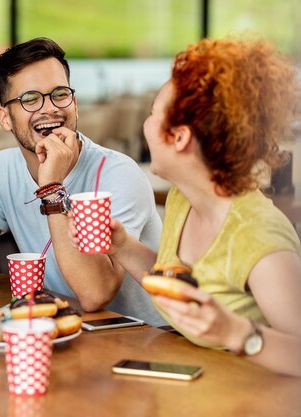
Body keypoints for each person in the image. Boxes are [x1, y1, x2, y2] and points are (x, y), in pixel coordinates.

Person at [0, 37, 165, 325]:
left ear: (75, 103)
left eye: (60, 94)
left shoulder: (118, 173)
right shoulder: (1, 170)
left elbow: (96, 294)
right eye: (30, 99)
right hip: (66, 329)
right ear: (5, 118)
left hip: (144, 337)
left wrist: (51, 189)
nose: (49, 109)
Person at [92, 38, 301, 376]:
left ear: (178, 137)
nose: (146, 125)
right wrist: (123, 247)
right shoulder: (183, 198)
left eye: (152, 115)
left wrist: (235, 332)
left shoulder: (259, 238)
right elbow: (175, 288)